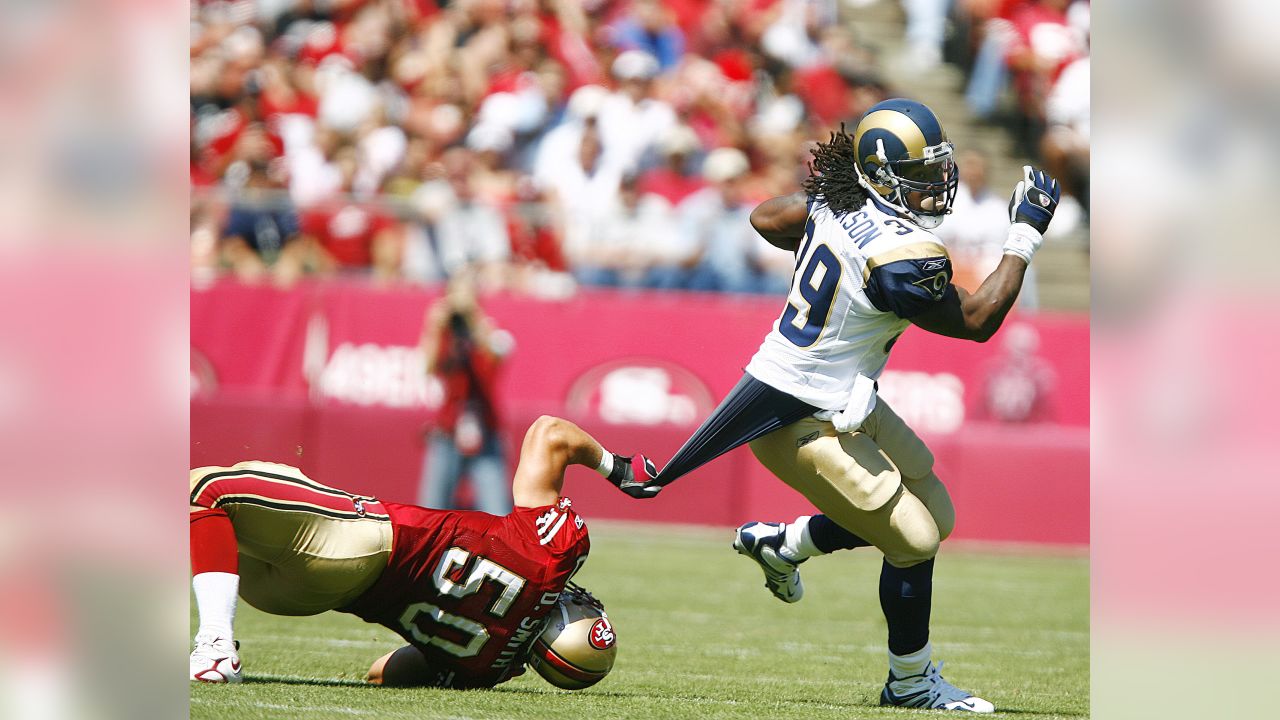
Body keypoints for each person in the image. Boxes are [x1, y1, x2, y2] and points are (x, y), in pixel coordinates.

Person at [603, 98, 1061, 713]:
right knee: (916, 541)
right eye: (918, 177)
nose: (934, 188)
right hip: (795, 414)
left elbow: (766, 218)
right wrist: (1024, 235)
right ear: (878, 176)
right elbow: (978, 320)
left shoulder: (838, 205)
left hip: (843, 400)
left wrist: (829, 213)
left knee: (938, 513)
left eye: (934, 172)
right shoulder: (899, 256)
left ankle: (787, 543)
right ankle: (910, 683)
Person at [189, 415, 629, 688]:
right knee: (213, 517)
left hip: (360, 542)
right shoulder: (484, 671)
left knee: (205, 491)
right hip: (297, 599)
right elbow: (383, 671)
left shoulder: (553, 555)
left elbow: (549, 432)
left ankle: (215, 647)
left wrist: (620, 469)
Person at [417, 274, 513, 515]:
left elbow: (497, 355)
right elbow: (426, 367)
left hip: (485, 431)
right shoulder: (444, 333)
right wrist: (433, 326)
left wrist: (474, 318)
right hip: (448, 430)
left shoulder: (488, 329)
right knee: (432, 511)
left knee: (497, 511)